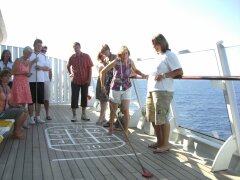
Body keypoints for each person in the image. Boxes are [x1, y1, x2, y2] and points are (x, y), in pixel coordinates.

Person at [146, 34, 183, 153]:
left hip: (163, 91)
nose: (153, 47)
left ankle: (165, 144)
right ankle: (160, 141)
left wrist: (164, 75)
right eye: (153, 44)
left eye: (155, 44)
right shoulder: (158, 56)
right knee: (152, 117)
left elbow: (179, 71)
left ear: (161, 43)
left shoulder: (170, 55)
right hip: (152, 90)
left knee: (162, 118)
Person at [100, 46, 147, 140]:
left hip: (126, 87)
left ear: (128, 54)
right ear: (120, 54)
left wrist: (143, 75)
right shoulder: (116, 61)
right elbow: (103, 72)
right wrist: (103, 86)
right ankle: (111, 127)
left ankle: (126, 131)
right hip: (115, 88)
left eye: (126, 53)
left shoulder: (130, 61)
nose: (125, 55)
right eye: (123, 54)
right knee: (113, 110)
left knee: (125, 109)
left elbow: (135, 70)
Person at [67, 42, 93, 122]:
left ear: (80, 47)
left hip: (85, 81)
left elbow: (90, 68)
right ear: (73, 48)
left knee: (84, 97)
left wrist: (89, 79)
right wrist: (70, 74)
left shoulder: (86, 56)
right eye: (75, 47)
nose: (76, 49)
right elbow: (68, 66)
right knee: (74, 97)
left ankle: (83, 114)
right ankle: (74, 115)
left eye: (77, 47)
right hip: (75, 80)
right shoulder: (72, 57)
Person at [0, 70, 28, 140]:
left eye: (9, 76)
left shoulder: (7, 88)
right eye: (6, 76)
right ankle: (16, 133)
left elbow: (10, 102)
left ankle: (16, 130)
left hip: (6, 110)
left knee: (24, 110)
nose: (8, 78)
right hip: (1, 113)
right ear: (1, 78)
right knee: (20, 112)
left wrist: (17, 106)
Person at [28, 39, 49, 124]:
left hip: (40, 80)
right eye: (37, 45)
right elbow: (25, 66)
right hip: (31, 81)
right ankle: (31, 118)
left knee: (39, 100)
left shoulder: (43, 56)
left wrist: (40, 68)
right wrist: (33, 62)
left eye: (40, 46)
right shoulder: (29, 55)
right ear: (33, 45)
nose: (39, 47)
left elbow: (47, 68)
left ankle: (38, 117)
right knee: (31, 101)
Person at [100, 44, 116, 127]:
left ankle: (112, 121)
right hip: (107, 82)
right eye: (102, 52)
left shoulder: (115, 57)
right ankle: (109, 120)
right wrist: (103, 85)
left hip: (115, 82)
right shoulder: (105, 59)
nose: (104, 53)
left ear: (108, 49)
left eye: (105, 50)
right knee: (108, 100)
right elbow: (103, 72)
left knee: (113, 102)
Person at [95, 52, 108, 125]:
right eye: (102, 55)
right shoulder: (100, 64)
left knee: (104, 101)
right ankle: (101, 117)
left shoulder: (105, 63)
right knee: (103, 100)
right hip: (102, 82)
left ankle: (103, 117)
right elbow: (102, 72)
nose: (104, 56)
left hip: (105, 81)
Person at [41, 46, 52, 120]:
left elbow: (50, 71)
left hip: (46, 81)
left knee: (46, 99)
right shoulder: (37, 59)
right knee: (35, 100)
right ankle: (36, 116)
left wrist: (49, 80)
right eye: (42, 50)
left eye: (45, 51)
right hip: (37, 81)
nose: (43, 52)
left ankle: (47, 114)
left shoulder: (48, 60)